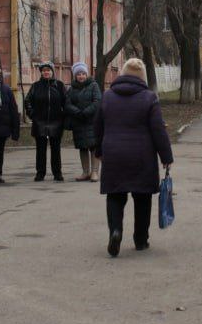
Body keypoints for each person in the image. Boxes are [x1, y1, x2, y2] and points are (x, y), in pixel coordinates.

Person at [94, 57, 174, 257]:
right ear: (142, 77)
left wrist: (99, 151)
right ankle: (140, 239)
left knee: (115, 196)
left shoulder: (107, 96)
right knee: (142, 198)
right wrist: (166, 156)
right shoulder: (149, 98)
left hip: (113, 154)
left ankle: (115, 230)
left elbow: (97, 127)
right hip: (142, 155)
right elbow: (158, 130)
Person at [24, 60, 67, 182]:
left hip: (56, 122)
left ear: (52, 72)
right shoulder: (35, 86)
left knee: (56, 149)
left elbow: (66, 102)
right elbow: (27, 101)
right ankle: (40, 173)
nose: (46, 72)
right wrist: (33, 115)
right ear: (41, 73)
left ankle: (57, 173)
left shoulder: (59, 85)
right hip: (40, 122)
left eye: (48, 70)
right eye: (44, 71)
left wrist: (62, 116)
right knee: (40, 150)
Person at [65, 61, 103, 182]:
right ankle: (85, 172)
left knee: (93, 146)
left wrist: (86, 112)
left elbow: (97, 101)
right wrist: (77, 112)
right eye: (78, 74)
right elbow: (67, 103)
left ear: (86, 74)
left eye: (83, 73)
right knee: (82, 147)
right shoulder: (71, 88)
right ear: (75, 76)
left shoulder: (93, 85)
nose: (81, 76)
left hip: (92, 121)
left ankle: (95, 172)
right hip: (78, 122)